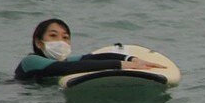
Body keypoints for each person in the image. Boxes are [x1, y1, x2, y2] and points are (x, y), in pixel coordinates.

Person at [14, 18, 161, 82]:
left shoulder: (61, 61)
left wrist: (131, 59)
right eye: (53, 35)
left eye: (65, 37)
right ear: (39, 43)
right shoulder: (31, 61)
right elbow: (64, 68)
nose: (60, 41)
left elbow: (93, 58)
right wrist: (119, 65)